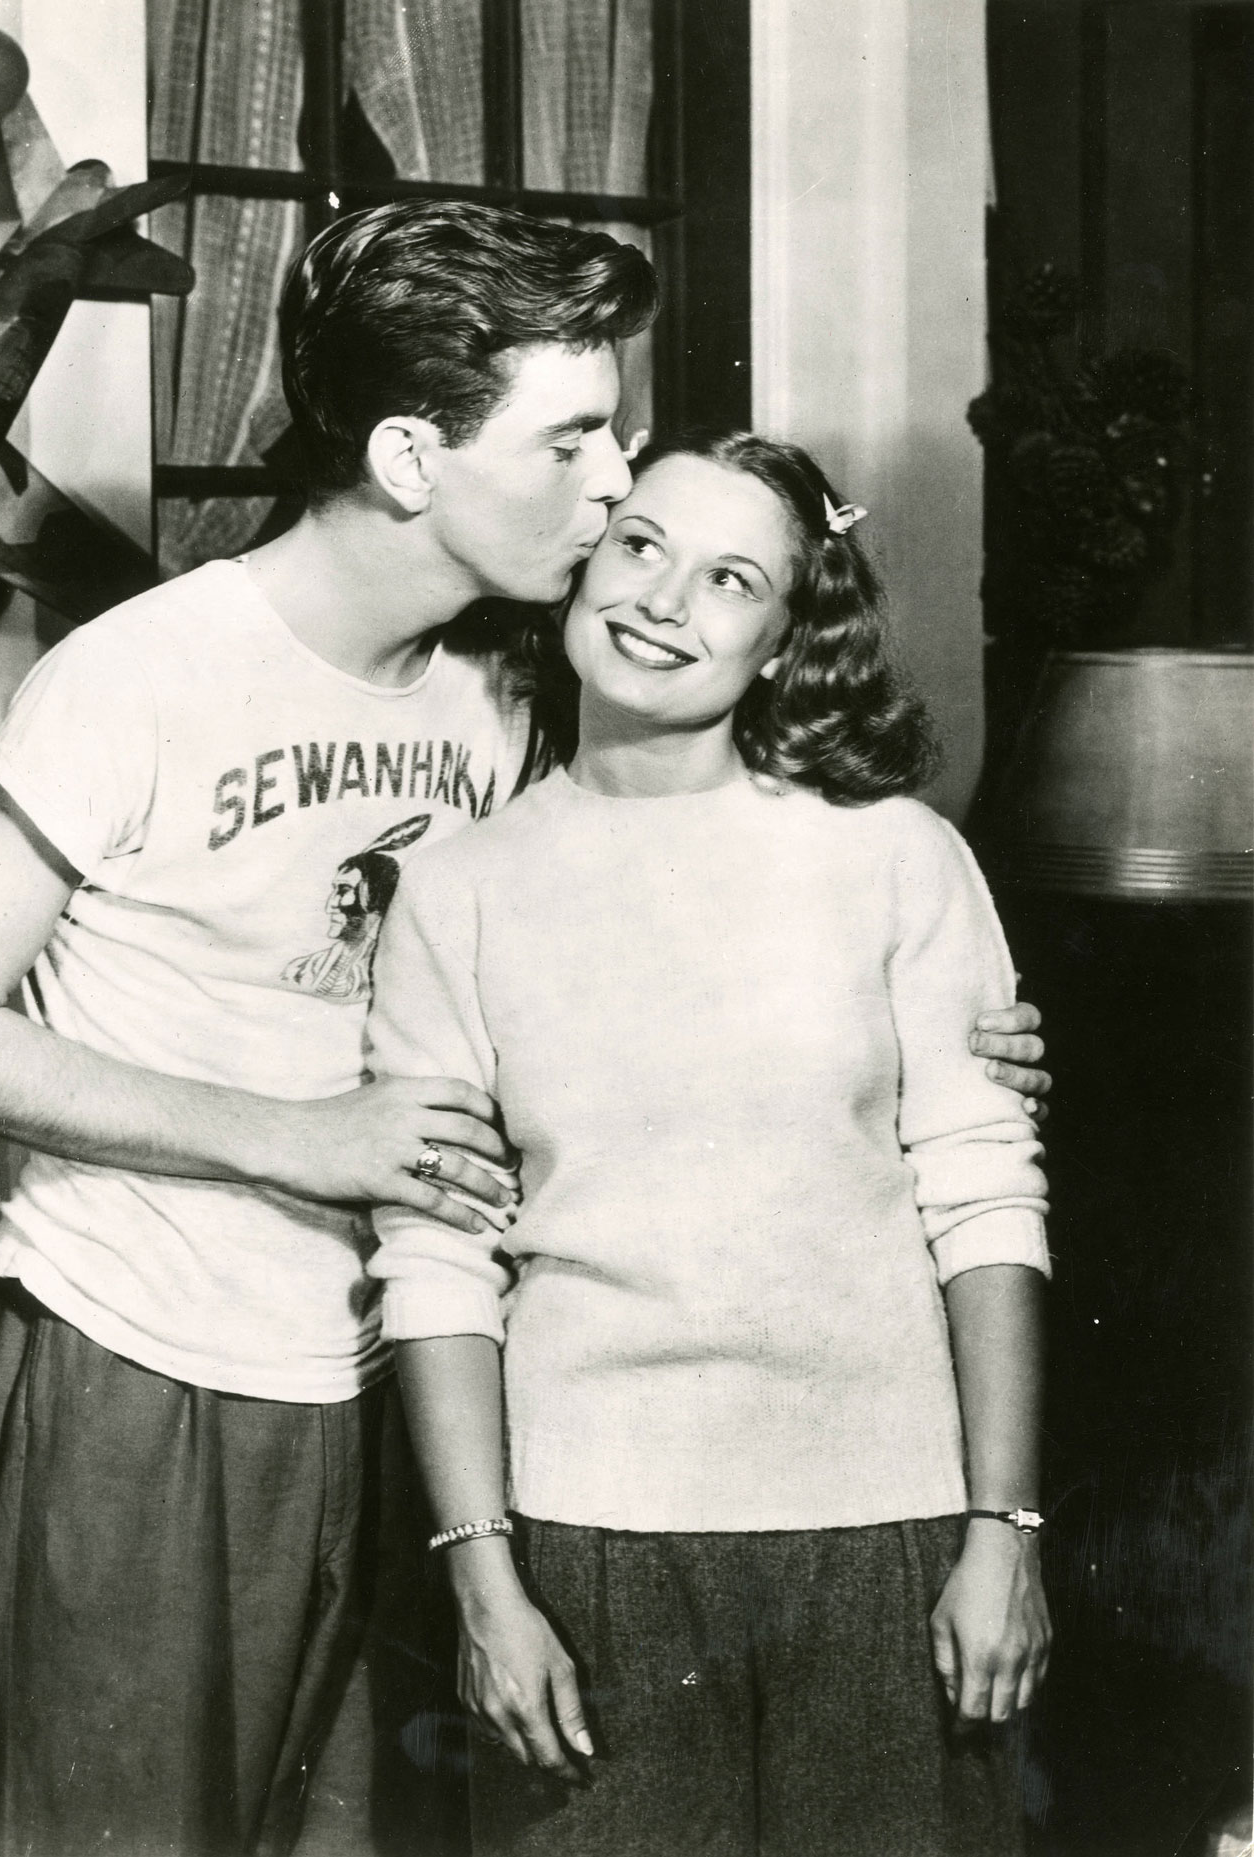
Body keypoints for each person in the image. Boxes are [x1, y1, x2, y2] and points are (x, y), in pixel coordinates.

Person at [0, 198, 1050, 1857]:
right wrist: (304, 1139)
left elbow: (659, 914)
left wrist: (958, 1040)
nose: (617, 484)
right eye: (576, 442)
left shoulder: (500, 684)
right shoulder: (138, 676)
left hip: (407, 1377)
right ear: (417, 455)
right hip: (159, 1355)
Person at [367, 431, 1054, 1857]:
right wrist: (486, 1585)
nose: (663, 599)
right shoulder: (458, 889)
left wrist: (1006, 1530)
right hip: (583, 1544)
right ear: (584, 562)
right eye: (641, 545)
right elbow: (438, 1254)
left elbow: (986, 1200)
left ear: (789, 633)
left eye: (731, 576)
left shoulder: (895, 857)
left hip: (890, 1536)